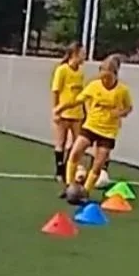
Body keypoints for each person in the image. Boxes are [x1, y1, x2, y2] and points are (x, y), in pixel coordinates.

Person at [57, 55, 132, 199]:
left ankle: (85, 192)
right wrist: (61, 108)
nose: (105, 80)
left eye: (108, 78)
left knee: (98, 164)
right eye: (102, 77)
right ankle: (69, 186)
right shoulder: (94, 86)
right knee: (75, 152)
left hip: (108, 131)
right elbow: (78, 100)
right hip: (91, 126)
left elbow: (129, 108)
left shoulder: (122, 91)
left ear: (115, 75)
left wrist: (120, 113)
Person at [50, 42, 85, 182]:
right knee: (61, 142)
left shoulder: (80, 72)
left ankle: (68, 167)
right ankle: (59, 171)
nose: (84, 56)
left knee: (77, 143)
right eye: (82, 53)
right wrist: (55, 111)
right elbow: (56, 91)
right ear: (74, 54)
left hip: (77, 113)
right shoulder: (62, 70)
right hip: (64, 113)